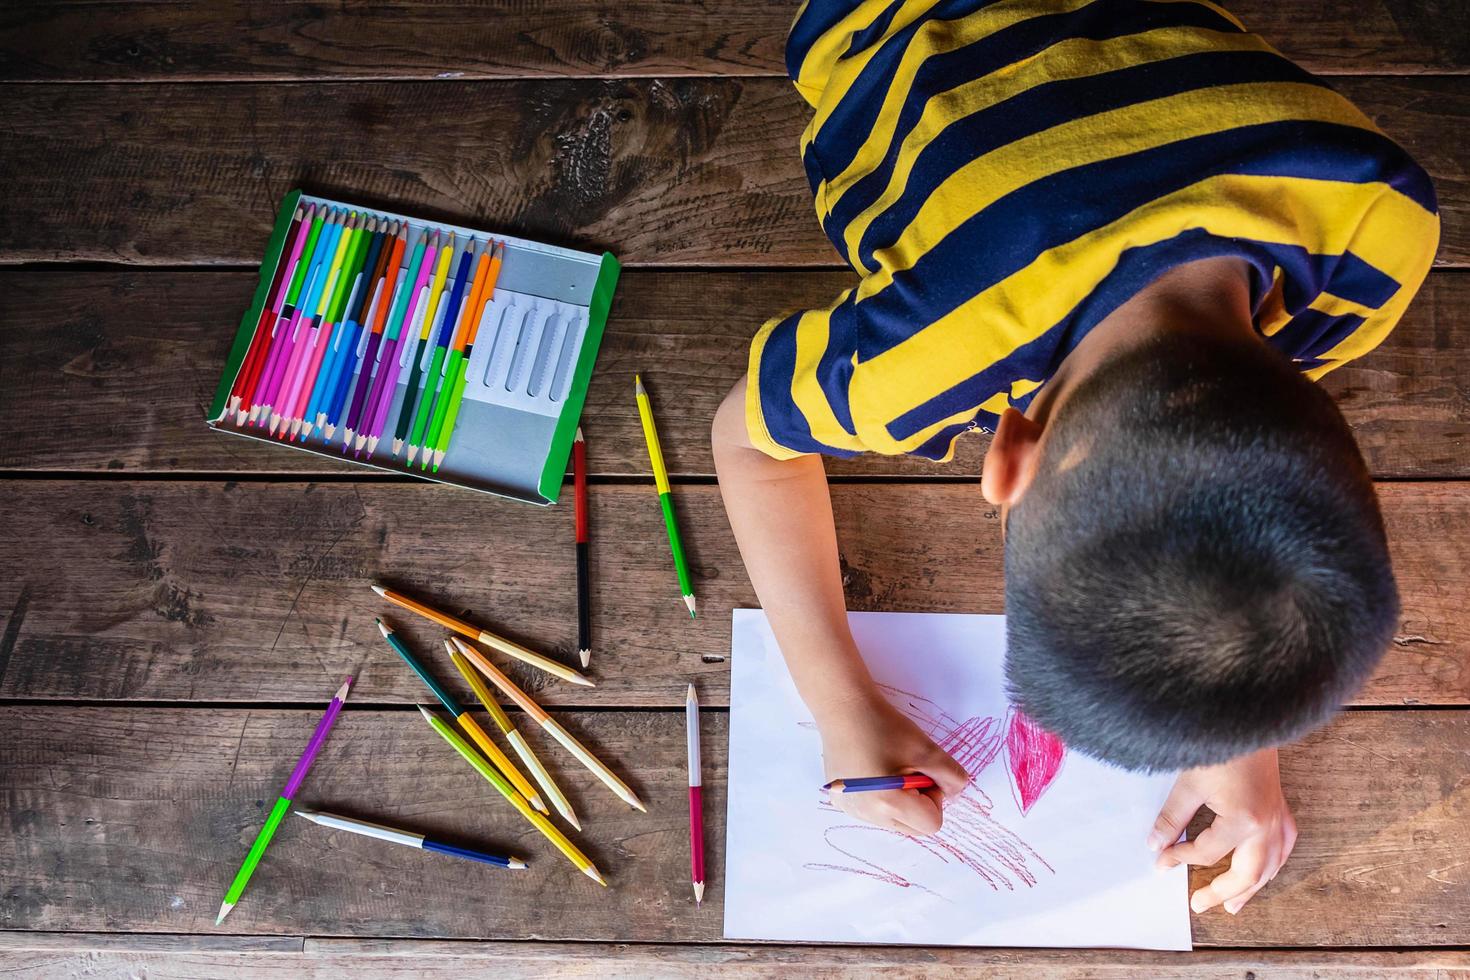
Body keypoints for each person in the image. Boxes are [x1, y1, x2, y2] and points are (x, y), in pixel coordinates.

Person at [711, 0, 1438, 916]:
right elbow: (743, 438)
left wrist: (1238, 727)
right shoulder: (920, 358)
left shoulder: (1382, 223)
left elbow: (1256, 460)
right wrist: (836, 701)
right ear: (1003, 457)